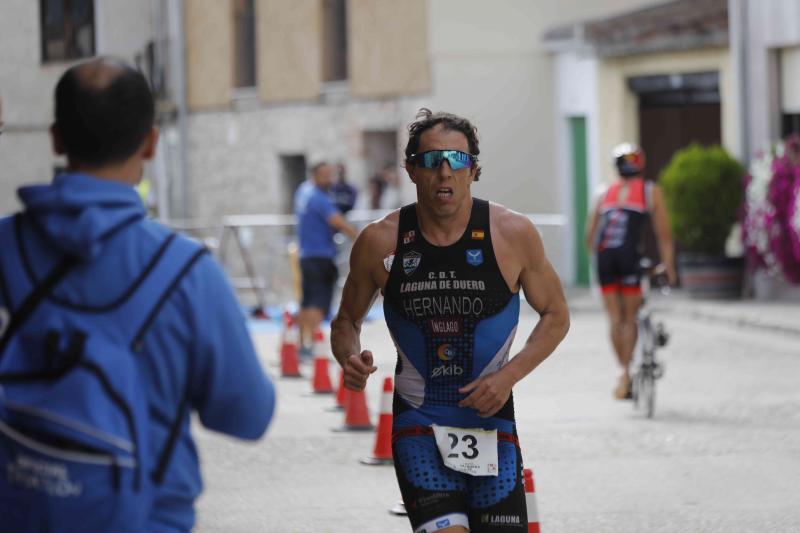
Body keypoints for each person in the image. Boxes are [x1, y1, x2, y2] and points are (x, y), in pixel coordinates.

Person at [0, 58, 275, 531]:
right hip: (146, 518)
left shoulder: (6, 246)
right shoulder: (188, 272)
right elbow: (246, 415)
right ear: (150, 142)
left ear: (56, 138)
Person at [331, 109, 570, 533]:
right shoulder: (380, 240)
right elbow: (346, 321)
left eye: (457, 160)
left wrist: (508, 377)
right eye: (431, 161)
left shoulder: (512, 233)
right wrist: (350, 358)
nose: (445, 172)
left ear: (474, 170)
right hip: (418, 423)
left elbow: (556, 315)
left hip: (492, 424)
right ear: (411, 170)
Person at [585, 142, 676, 400]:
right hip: (629, 260)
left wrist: (595, 262)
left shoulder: (603, 192)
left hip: (605, 260)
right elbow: (664, 233)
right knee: (630, 318)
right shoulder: (650, 191)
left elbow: (590, 235)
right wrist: (668, 266)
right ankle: (627, 370)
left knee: (614, 320)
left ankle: (622, 372)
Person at [294, 161, 358, 357]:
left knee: (306, 302)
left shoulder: (303, 191)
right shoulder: (319, 198)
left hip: (306, 255)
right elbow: (339, 223)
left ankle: (302, 344)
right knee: (318, 303)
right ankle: (311, 344)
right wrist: (363, 239)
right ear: (315, 175)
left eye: (330, 175)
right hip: (320, 256)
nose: (329, 179)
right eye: (325, 175)